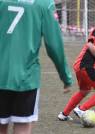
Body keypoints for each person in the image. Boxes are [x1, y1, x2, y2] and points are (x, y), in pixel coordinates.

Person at [0, 0, 73, 134]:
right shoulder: (44, 3)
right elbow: (54, 45)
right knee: (22, 126)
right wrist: (66, 77)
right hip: (26, 79)